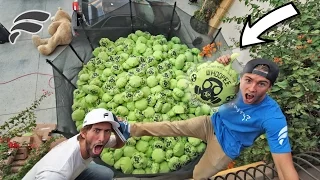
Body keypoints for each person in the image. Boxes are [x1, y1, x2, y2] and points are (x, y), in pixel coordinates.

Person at [119, 55, 299, 180]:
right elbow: (207, 78)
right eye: (248, 80)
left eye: (262, 84)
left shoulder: (273, 117)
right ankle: (129, 129)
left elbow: (284, 165)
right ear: (241, 77)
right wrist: (218, 65)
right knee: (172, 126)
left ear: (270, 87)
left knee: (198, 174)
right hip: (212, 123)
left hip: (226, 145)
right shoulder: (232, 82)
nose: (252, 88)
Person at [22, 108, 126, 180]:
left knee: (106, 174)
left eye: (107, 131)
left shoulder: (93, 141)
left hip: (72, 174)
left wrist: (119, 131)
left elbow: (118, 143)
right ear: (84, 133)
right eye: (97, 130)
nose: (102, 138)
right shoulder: (56, 173)